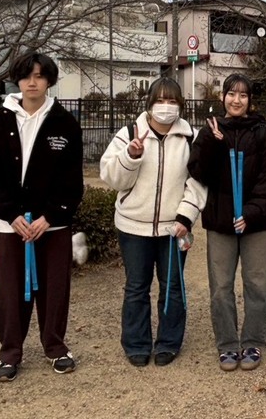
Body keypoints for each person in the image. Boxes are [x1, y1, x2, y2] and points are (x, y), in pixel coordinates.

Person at [0, 52, 84, 382]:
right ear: (18, 79)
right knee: (10, 291)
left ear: (49, 81)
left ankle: (55, 347)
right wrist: (11, 215)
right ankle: (10, 352)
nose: (32, 82)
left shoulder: (64, 122)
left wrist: (50, 216)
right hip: (10, 224)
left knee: (55, 288)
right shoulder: (0, 120)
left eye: (39, 76)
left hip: (51, 225)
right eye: (26, 75)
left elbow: (72, 182)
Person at [100, 77, 206, 368]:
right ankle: (136, 343)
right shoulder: (129, 133)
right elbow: (111, 177)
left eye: (172, 101)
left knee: (173, 286)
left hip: (175, 227)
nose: (166, 107)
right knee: (136, 286)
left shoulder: (191, 137)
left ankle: (169, 342)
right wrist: (131, 157)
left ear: (181, 106)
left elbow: (198, 181)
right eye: (160, 100)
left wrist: (186, 214)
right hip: (134, 225)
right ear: (149, 104)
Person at [188, 74, 266, 371]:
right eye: (231, 94)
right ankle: (227, 343)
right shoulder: (210, 131)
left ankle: (253, 340)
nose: (237, 100)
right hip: (220, 220)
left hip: (257, 222)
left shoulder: (263, 133)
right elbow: (199, 173)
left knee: (257, 283)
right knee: (220, 286)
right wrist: (215, 146)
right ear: (223, 98)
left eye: (243, 95)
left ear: (250, 100)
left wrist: (251, 213)